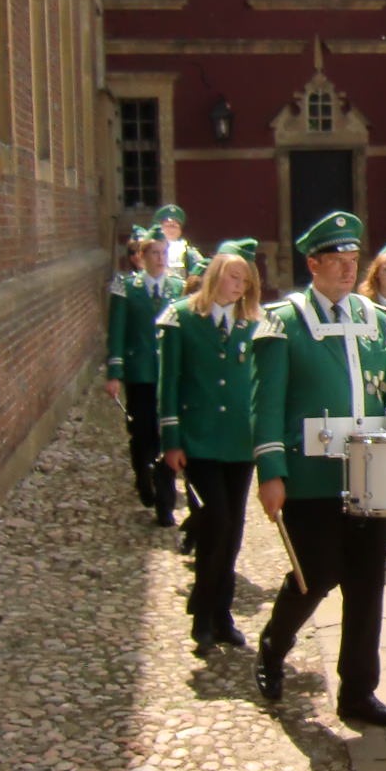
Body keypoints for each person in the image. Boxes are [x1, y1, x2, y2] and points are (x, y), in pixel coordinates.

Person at [250, 211, 386, 728]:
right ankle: (274, 644)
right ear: (313, 264)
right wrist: (270, 471)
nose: (348, 269)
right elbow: (267, 403)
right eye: (337, 260)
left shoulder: (375, 318)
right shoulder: (285, 321)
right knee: (314, 575)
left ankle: (359, 692)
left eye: (353, 260)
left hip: (372, 471)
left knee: (367, 585)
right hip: (311, 476)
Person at [159, 239, 262, 653]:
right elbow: (169, 381)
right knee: (215, 520)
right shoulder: (183, 317)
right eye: (233, 277)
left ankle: (221, 614)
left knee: (233, 530)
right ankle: (202, 613)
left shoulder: (252, 323)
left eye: (245, 280)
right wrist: (171, 439)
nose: (239, 285)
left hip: (239, 442)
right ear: (215, 275)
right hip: (199, 439)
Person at [106, 228, 185, 524]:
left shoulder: (177, 288)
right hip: (140, 373)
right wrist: (115, 372)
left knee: (168, 434)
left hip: (169, 373)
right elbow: (117, 331)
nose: (160, 259)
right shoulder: (127, 287)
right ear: (142, 256)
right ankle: (143, 475)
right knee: (142, 433)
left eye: (164, 253)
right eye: (154, 253)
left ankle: (165, 503)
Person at [154, 205, 206, 283]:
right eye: (167, 226)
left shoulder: (187, 251)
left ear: (180, 230)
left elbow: (200, 271)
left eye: (174, 226)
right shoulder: (152, 249)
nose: (171, 230)